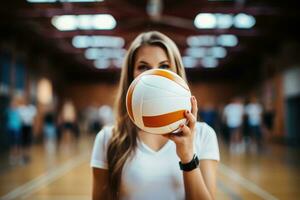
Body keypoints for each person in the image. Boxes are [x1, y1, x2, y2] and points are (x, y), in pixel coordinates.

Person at [91, 31, 220, 200]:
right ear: (130, 76)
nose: (154, 75)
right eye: (143, 67)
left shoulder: (204, 135)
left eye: (165, 66)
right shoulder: (108, 138)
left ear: (177, 74)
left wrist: (188, 157)